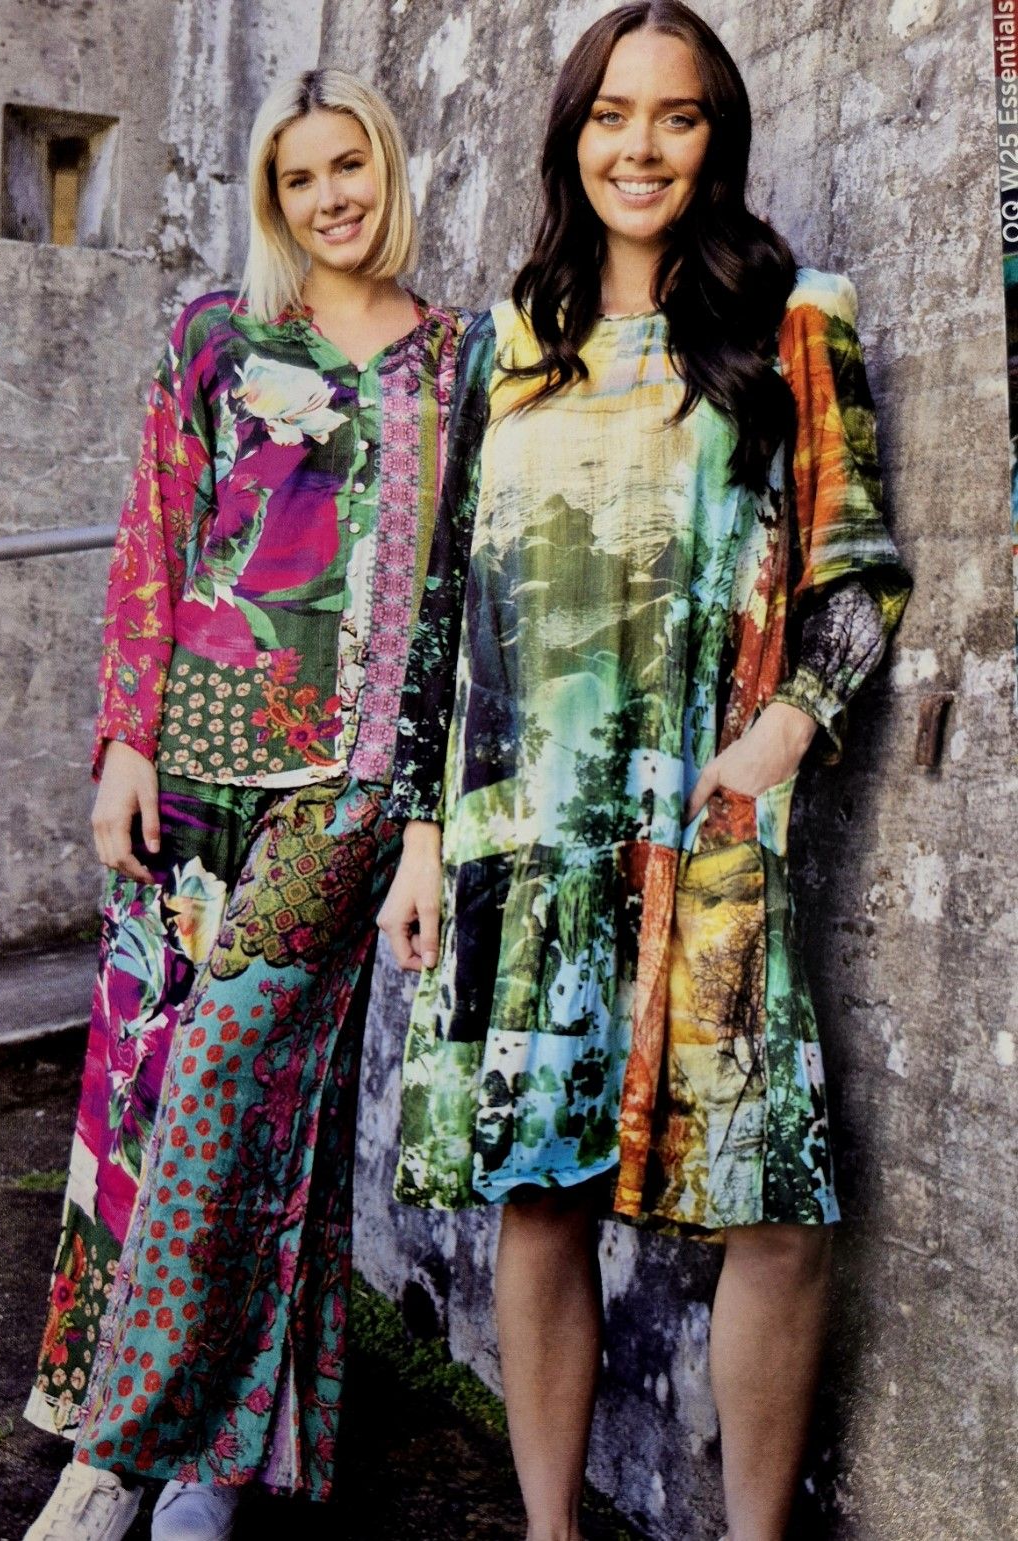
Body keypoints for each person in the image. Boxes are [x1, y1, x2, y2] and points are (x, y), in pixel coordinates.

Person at [376, 5, 911, 1540]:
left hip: (712, 836)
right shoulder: (500, 342)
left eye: (677, 119)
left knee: (780, 1205)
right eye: (614, 115)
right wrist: (422, 835)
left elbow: (859, 575)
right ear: (572, 135)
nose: (642, 147)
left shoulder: (799, 316)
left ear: (716, 140)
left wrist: (787, 726)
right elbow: (438, 606)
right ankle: (550, 1531)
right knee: (541, 1193)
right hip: (522, 840)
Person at [24, 67, 465, 1541]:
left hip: (343, 787)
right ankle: (220, 1463)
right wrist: (121, 745)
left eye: (351, 167)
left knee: (233, 1076)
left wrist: (420, 807)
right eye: (299, 179)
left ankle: (123, 1453)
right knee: (174, 1094)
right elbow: (153, 536)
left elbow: (459, 593)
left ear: (385, 170)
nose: (331, 196)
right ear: (275, 200)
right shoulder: (218, 336)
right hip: (190, 766)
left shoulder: (454, 360)